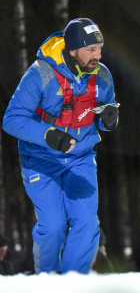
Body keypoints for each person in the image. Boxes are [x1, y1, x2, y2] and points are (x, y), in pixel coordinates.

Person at [2, 18, 119, 274]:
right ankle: (49, 283)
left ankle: (74, 283)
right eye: (91, 49)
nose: (98, 55)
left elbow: (104, 117)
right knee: (53, 225)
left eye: (100, 48)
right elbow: (11, 119)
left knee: (87, 223)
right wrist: (49, 136)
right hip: (41, 160)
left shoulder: (103, 76)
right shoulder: (41, 73)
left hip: (81, 158)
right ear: (73, 49)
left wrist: (109, 120)